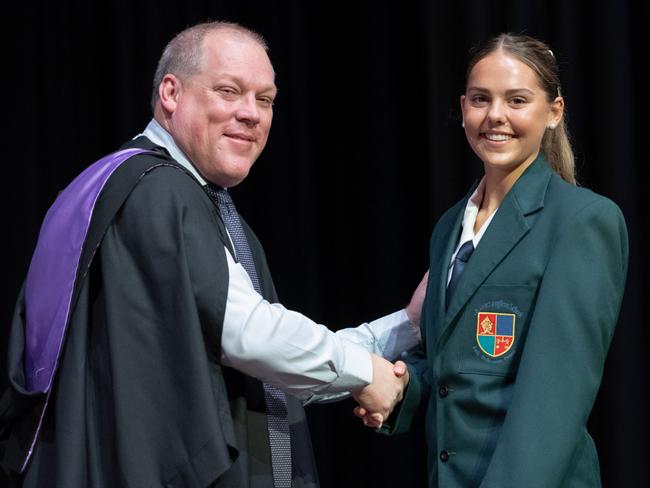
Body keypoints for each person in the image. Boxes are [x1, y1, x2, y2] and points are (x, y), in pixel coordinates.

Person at [0, 21, 423, 487]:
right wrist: (368, 373)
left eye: (265, 99)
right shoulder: (158, 193)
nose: (251, 114)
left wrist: (405, 328)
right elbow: (251, 336)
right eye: (229, 91)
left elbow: (270, 370)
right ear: (171, 94)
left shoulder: (110, 190)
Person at [357, 33, 629, 487]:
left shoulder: (582, 221)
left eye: (517, 100)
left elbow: (554, 398)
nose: (495, 116)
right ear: (463, 107)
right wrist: (403, 389)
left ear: (553, 113)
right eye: (481, 99)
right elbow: (456, 369)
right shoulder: (449, 227)